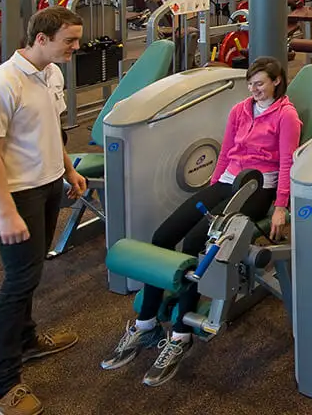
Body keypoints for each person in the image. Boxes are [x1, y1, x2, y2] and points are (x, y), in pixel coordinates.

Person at [100, 56, 301, 386]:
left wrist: (280, 207)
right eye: (251, 84)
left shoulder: (287, 116)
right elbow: (225, 152)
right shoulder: (240, 110)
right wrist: (211, 190)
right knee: (163, 235)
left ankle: (180, 336)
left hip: (258, 186)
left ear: (277, 81)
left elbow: (286, 162)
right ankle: (146, 324)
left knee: (195, 243)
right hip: (226, 181)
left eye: (261, 84)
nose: (255, 90)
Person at [0, 7, 87, 415]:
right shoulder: (0, 85)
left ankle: (26, 340)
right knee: (18, 282)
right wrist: (5, 212)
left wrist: (69, 169)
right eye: (69, 41)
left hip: (47, 184)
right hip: (15, 194)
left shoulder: (51, 73)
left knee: (33, 269)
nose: (77, 47)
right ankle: (1, 385)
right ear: (42, 39)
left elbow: (52, 131)